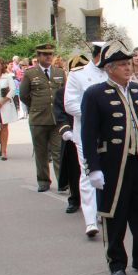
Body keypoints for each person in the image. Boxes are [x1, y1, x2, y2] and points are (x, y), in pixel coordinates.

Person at [81, 41, 138, 275]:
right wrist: (93, 168)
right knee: (115, 216)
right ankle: (116, 263)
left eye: (129, 64)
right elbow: (88, 134)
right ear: (109, 68)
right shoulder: (95, 94)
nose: (128, 68)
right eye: (122, 65)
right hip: (113, 165)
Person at [64, 42, 107, 237]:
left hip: (109, 134)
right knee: (88, 172)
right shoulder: (78, 74)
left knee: (108, 172)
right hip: (86, 133)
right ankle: (90, 220)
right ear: (98, 55)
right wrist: (94, 114)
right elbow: (70, 104)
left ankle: (104, 210)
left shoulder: (111, 73)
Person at [20, 43, 67, 192]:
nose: (48, 57)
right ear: (38, 56)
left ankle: (62, 181)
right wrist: (36, 107)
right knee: (40, 152)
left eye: (50, 54)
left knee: (58, 152)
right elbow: (24, 95)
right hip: (38, 118)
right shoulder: (30, 73)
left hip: (56, 119)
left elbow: (64, 93)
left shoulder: (59, 72)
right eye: (45, 55)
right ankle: (43, 181)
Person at [54, 55, 85, 216]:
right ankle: (74, 199)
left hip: (90, 134)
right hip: (72, 135)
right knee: (74, 170)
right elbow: (60, 113)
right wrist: (67, 131)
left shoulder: (91, 89)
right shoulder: (62, 92)